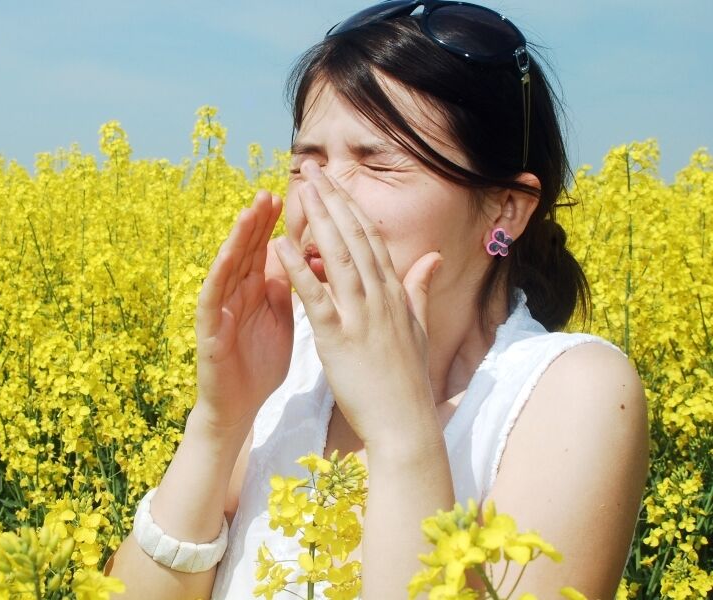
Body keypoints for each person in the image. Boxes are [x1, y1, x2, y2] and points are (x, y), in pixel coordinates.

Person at [107, 1, 649, 598]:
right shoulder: (294, 370)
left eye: (377, 162)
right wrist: (219, 421)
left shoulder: (574, 391)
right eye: (306, 162)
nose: (320, 197)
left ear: (505, 209)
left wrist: (400, 430)